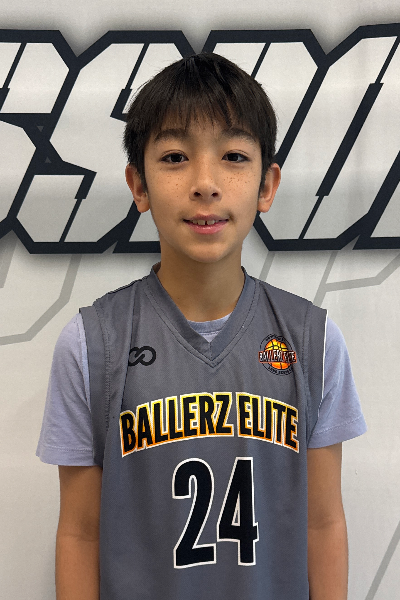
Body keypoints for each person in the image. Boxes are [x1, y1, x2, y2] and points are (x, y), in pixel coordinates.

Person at [37, 52, 366, 600]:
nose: (205, 183)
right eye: (175, 157)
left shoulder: (313, 340)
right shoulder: (92, 344)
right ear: (139, 186)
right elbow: (80, 532)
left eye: (233, 156)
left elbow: (323, 523)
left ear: (267, 185)